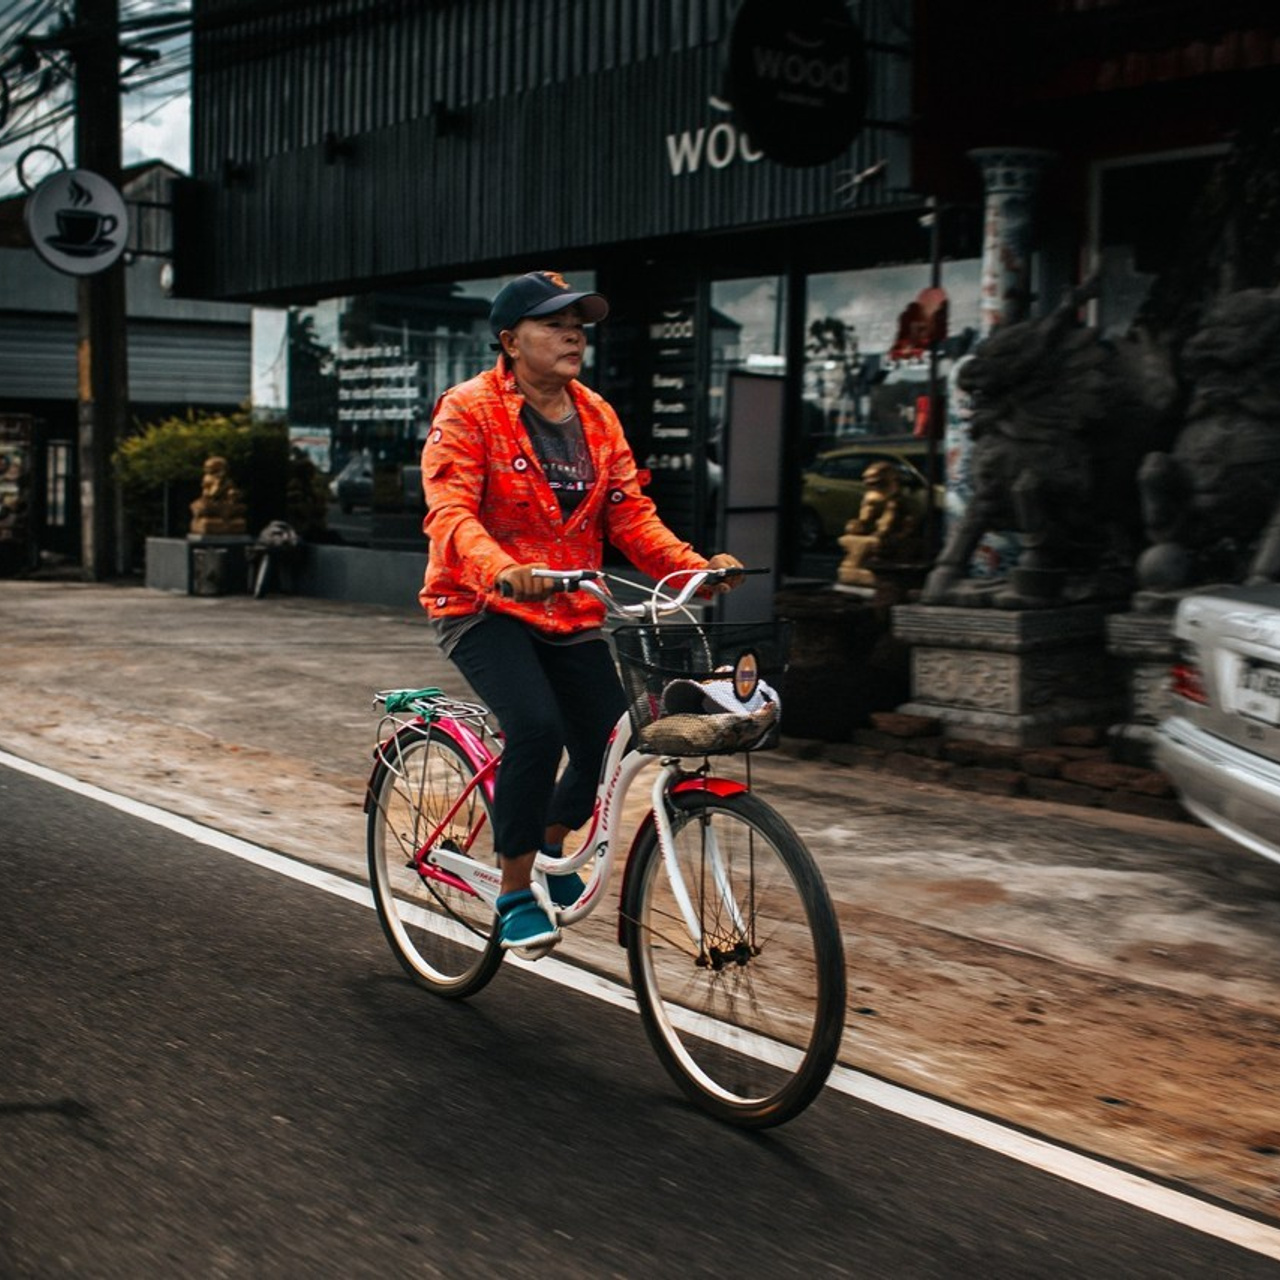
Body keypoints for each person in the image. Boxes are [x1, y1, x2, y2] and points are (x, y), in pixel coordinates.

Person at [419, 270, 743, 953]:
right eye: (553, 324)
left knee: (609, 733)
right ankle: (512, 893)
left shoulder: (596, 416)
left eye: (579, 324)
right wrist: (502, 570)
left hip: (569, 608)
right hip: (479, 602)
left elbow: (631, 516)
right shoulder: (468, 410)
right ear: (510, 342)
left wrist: (692, 568)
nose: (573, 335)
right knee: (536, 727)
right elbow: (450, 513)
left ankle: (548, 839)